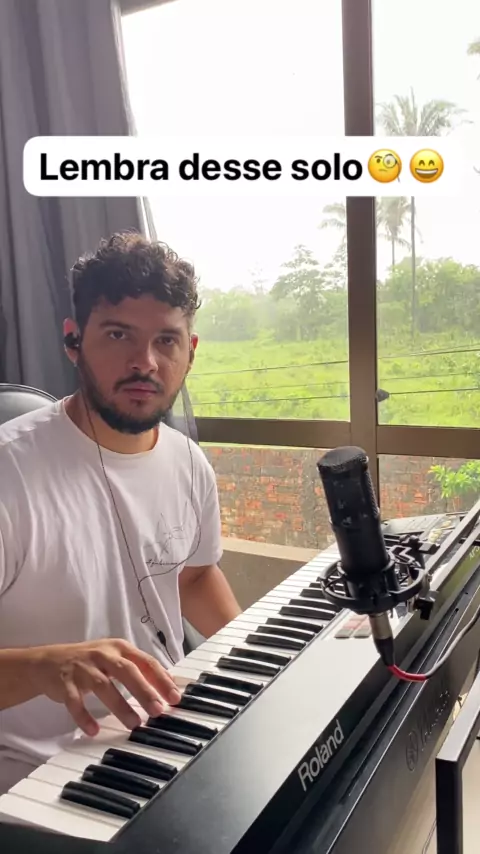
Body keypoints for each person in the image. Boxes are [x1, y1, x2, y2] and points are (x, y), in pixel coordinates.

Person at [0, 231, 242, 794]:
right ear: (73, 341)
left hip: (165, 739)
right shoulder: (10, 473)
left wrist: (263, 660)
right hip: (40, 780)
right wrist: (42, 665)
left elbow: (194, 576)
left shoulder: (188, 462)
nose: (145, 362)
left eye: (166, 340)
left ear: (190, 351)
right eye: (118, 335)